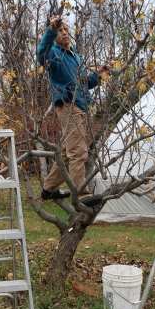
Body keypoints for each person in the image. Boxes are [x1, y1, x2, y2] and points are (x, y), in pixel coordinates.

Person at [37, 16, 110, 207]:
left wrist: (100, 74)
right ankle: (82, 195)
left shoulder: (74, 55)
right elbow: (40, 55)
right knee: (78, 151)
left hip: (80, 105)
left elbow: (84, 83)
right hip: (68, 105)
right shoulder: (53, 53)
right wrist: (51, 30)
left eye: (65, 30)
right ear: (54, 35)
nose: (64, 33)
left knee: (67, 152)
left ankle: (48, 189)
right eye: (60, 31)